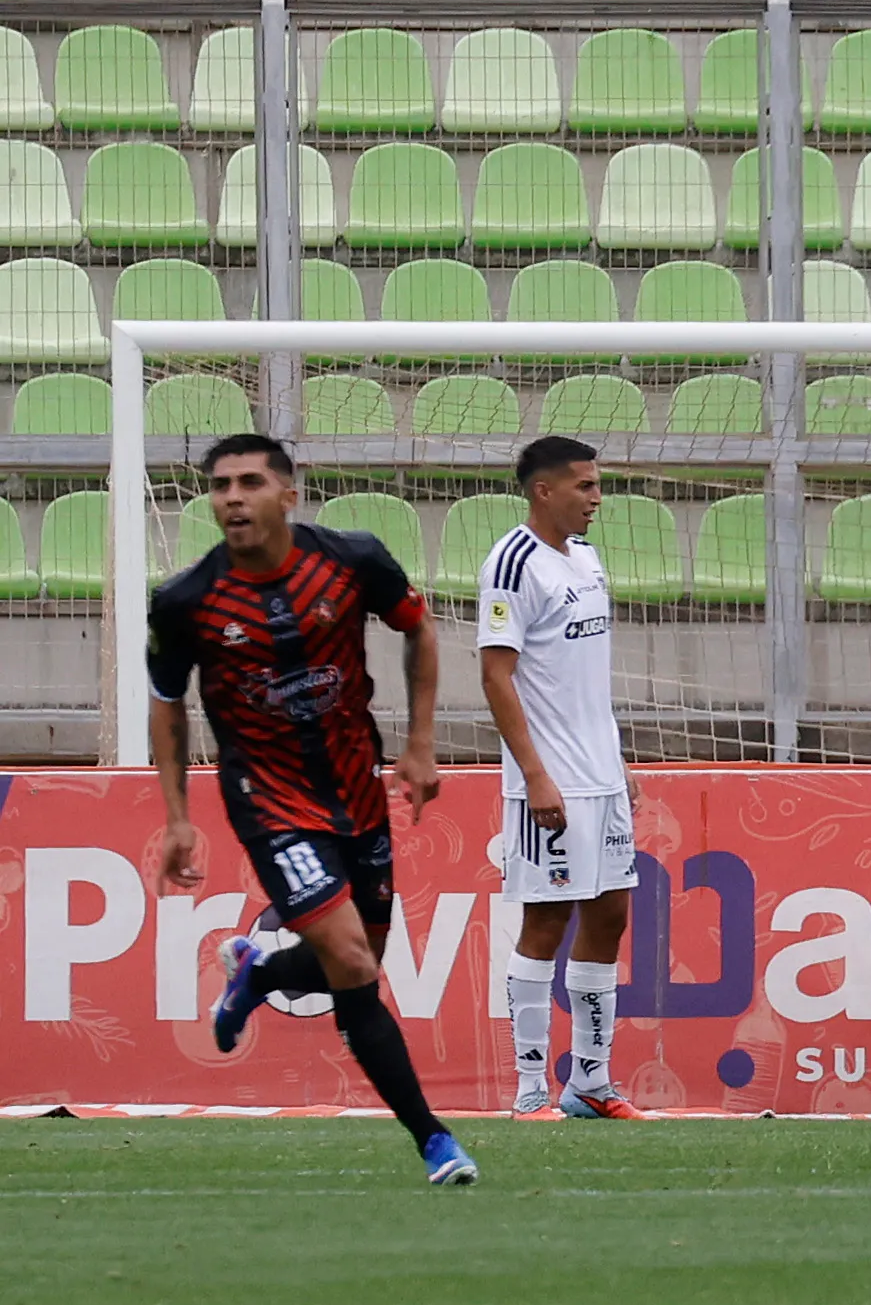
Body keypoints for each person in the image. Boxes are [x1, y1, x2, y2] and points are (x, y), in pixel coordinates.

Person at [154, 433, 475, 1186]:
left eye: (250, 481)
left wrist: (421, 743)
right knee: (355, 963)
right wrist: (176, 815)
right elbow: (168, 706)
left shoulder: (352, 559)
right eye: (221, 484)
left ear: (287, 494)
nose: (232, 496)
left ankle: (259, 972)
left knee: (356, 962)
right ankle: (434, 1140)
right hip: (269, 801)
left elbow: (418, 630)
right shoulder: (186, 599)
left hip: (358, 793)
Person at [479, 434, 645, 1122]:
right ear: (542, 490)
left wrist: (617, 760)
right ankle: (528, 1093)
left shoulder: (586, 558)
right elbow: (495, 676)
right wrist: (535, 774)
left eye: (598, 484)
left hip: (599, 772)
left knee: (610, 912)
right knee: (545, 921)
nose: (597, 498)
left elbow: (584, 677)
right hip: (550, 781)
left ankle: (591, 1082)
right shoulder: (513, 562)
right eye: (584, 485)